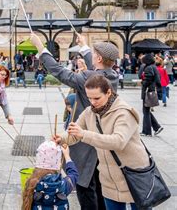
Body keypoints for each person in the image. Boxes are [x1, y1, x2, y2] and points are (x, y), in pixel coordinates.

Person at [30, 32, 118, 210]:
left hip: (85, 143)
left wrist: (40, 47)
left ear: (99, 58)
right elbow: (96, 68)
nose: (91, 56)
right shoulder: (112, 75)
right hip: (102, 142)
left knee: (84, 186)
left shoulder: (90, 78)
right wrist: (85, 45)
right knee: (100, 187)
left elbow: (59, 72)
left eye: (93, 53)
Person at [54, 75, 150, 210]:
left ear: (109, 92)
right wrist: (61, 138)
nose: (92, 102)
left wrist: (84, 134)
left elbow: (118, 141)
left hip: (133, 176)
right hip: (109, 178)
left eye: (97, 98)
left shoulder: (123, 112)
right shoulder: (89, 112)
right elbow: (75, 133)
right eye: (89, 98)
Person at [22, 141, 78, 210]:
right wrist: (67, 156)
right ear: (58, 164)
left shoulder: (32, 183)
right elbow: (74, 174)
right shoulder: (63, 185)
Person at [140, 53, 164, 136]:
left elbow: (147, 80)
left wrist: (142, 82)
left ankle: (146, 131)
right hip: (151, 90)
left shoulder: (148, 68)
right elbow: (157, 80)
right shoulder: (154, 67)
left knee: (145, 111)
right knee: (146, 111)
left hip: (148, 91)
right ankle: (157, 127)